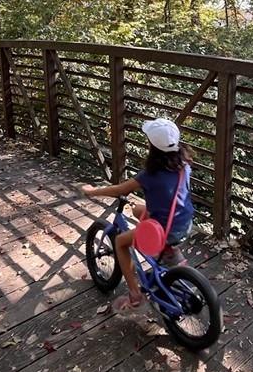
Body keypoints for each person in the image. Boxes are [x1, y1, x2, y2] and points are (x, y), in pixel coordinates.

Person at [82, 118, 194, 312]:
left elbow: (120, 190)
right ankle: (171, 252)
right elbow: (170, 195)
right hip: (184, 223)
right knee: (136, 210)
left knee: (120, 242)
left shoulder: (149, 175)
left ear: (152, 147)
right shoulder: (184, 165)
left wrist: (93, 191)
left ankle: (135, 294)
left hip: (166, 231)